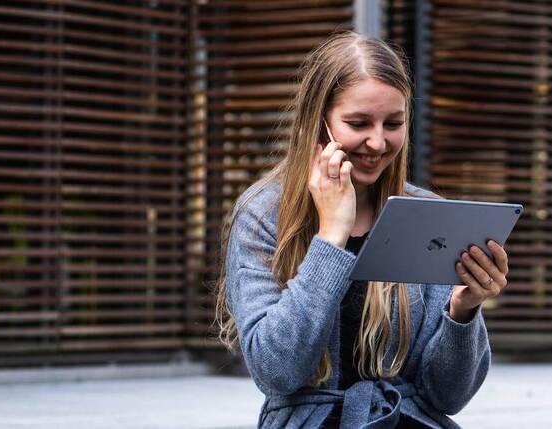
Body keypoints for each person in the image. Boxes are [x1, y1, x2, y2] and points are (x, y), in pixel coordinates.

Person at [212, 31, 509, 429]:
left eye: (394, 123)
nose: (377, 141)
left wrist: (463, 311)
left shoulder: (426, 214)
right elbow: (276, 371)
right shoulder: (263, 214)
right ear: (319, 123)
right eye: (358, 123)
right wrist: (331, 237)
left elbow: (448, 397)